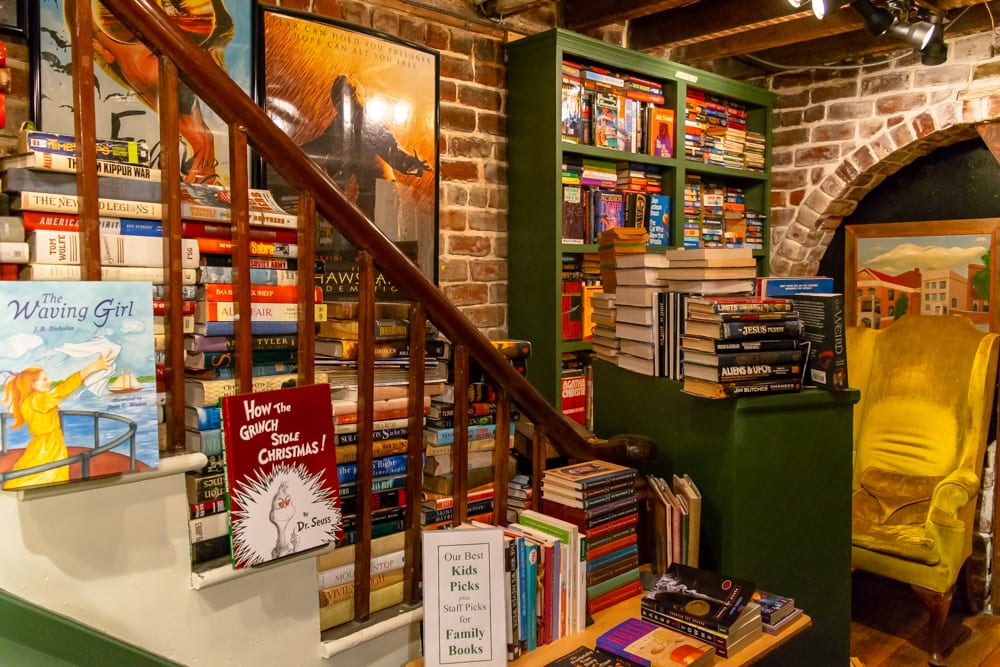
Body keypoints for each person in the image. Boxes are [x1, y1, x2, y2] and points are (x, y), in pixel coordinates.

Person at [86, 0, 235, 184]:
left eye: (185, 16)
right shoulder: (109, 124)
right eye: (125, 26)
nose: (162, 37)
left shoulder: (226, 137)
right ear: (101, 49)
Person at [300, 75, 432, 221]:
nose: (344, 103)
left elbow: (390, 148)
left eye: (349, 94)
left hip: (383, 190)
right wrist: (298, 151)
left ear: (355, 95)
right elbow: (322, 144)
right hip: (368, 191)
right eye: (339, 99)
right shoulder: (341, 122)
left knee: (375, 228)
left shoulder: (367, 119)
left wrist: (411, 163)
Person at [2, 352, 114, 490]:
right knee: (47, 474)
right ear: (32, 383)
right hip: (49, 446)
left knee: (41, 473)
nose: (48, 382)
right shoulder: (38, 400)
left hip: (44, 443)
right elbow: (62, 390)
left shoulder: (29, 400)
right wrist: (91, 369)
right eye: (44, 380)